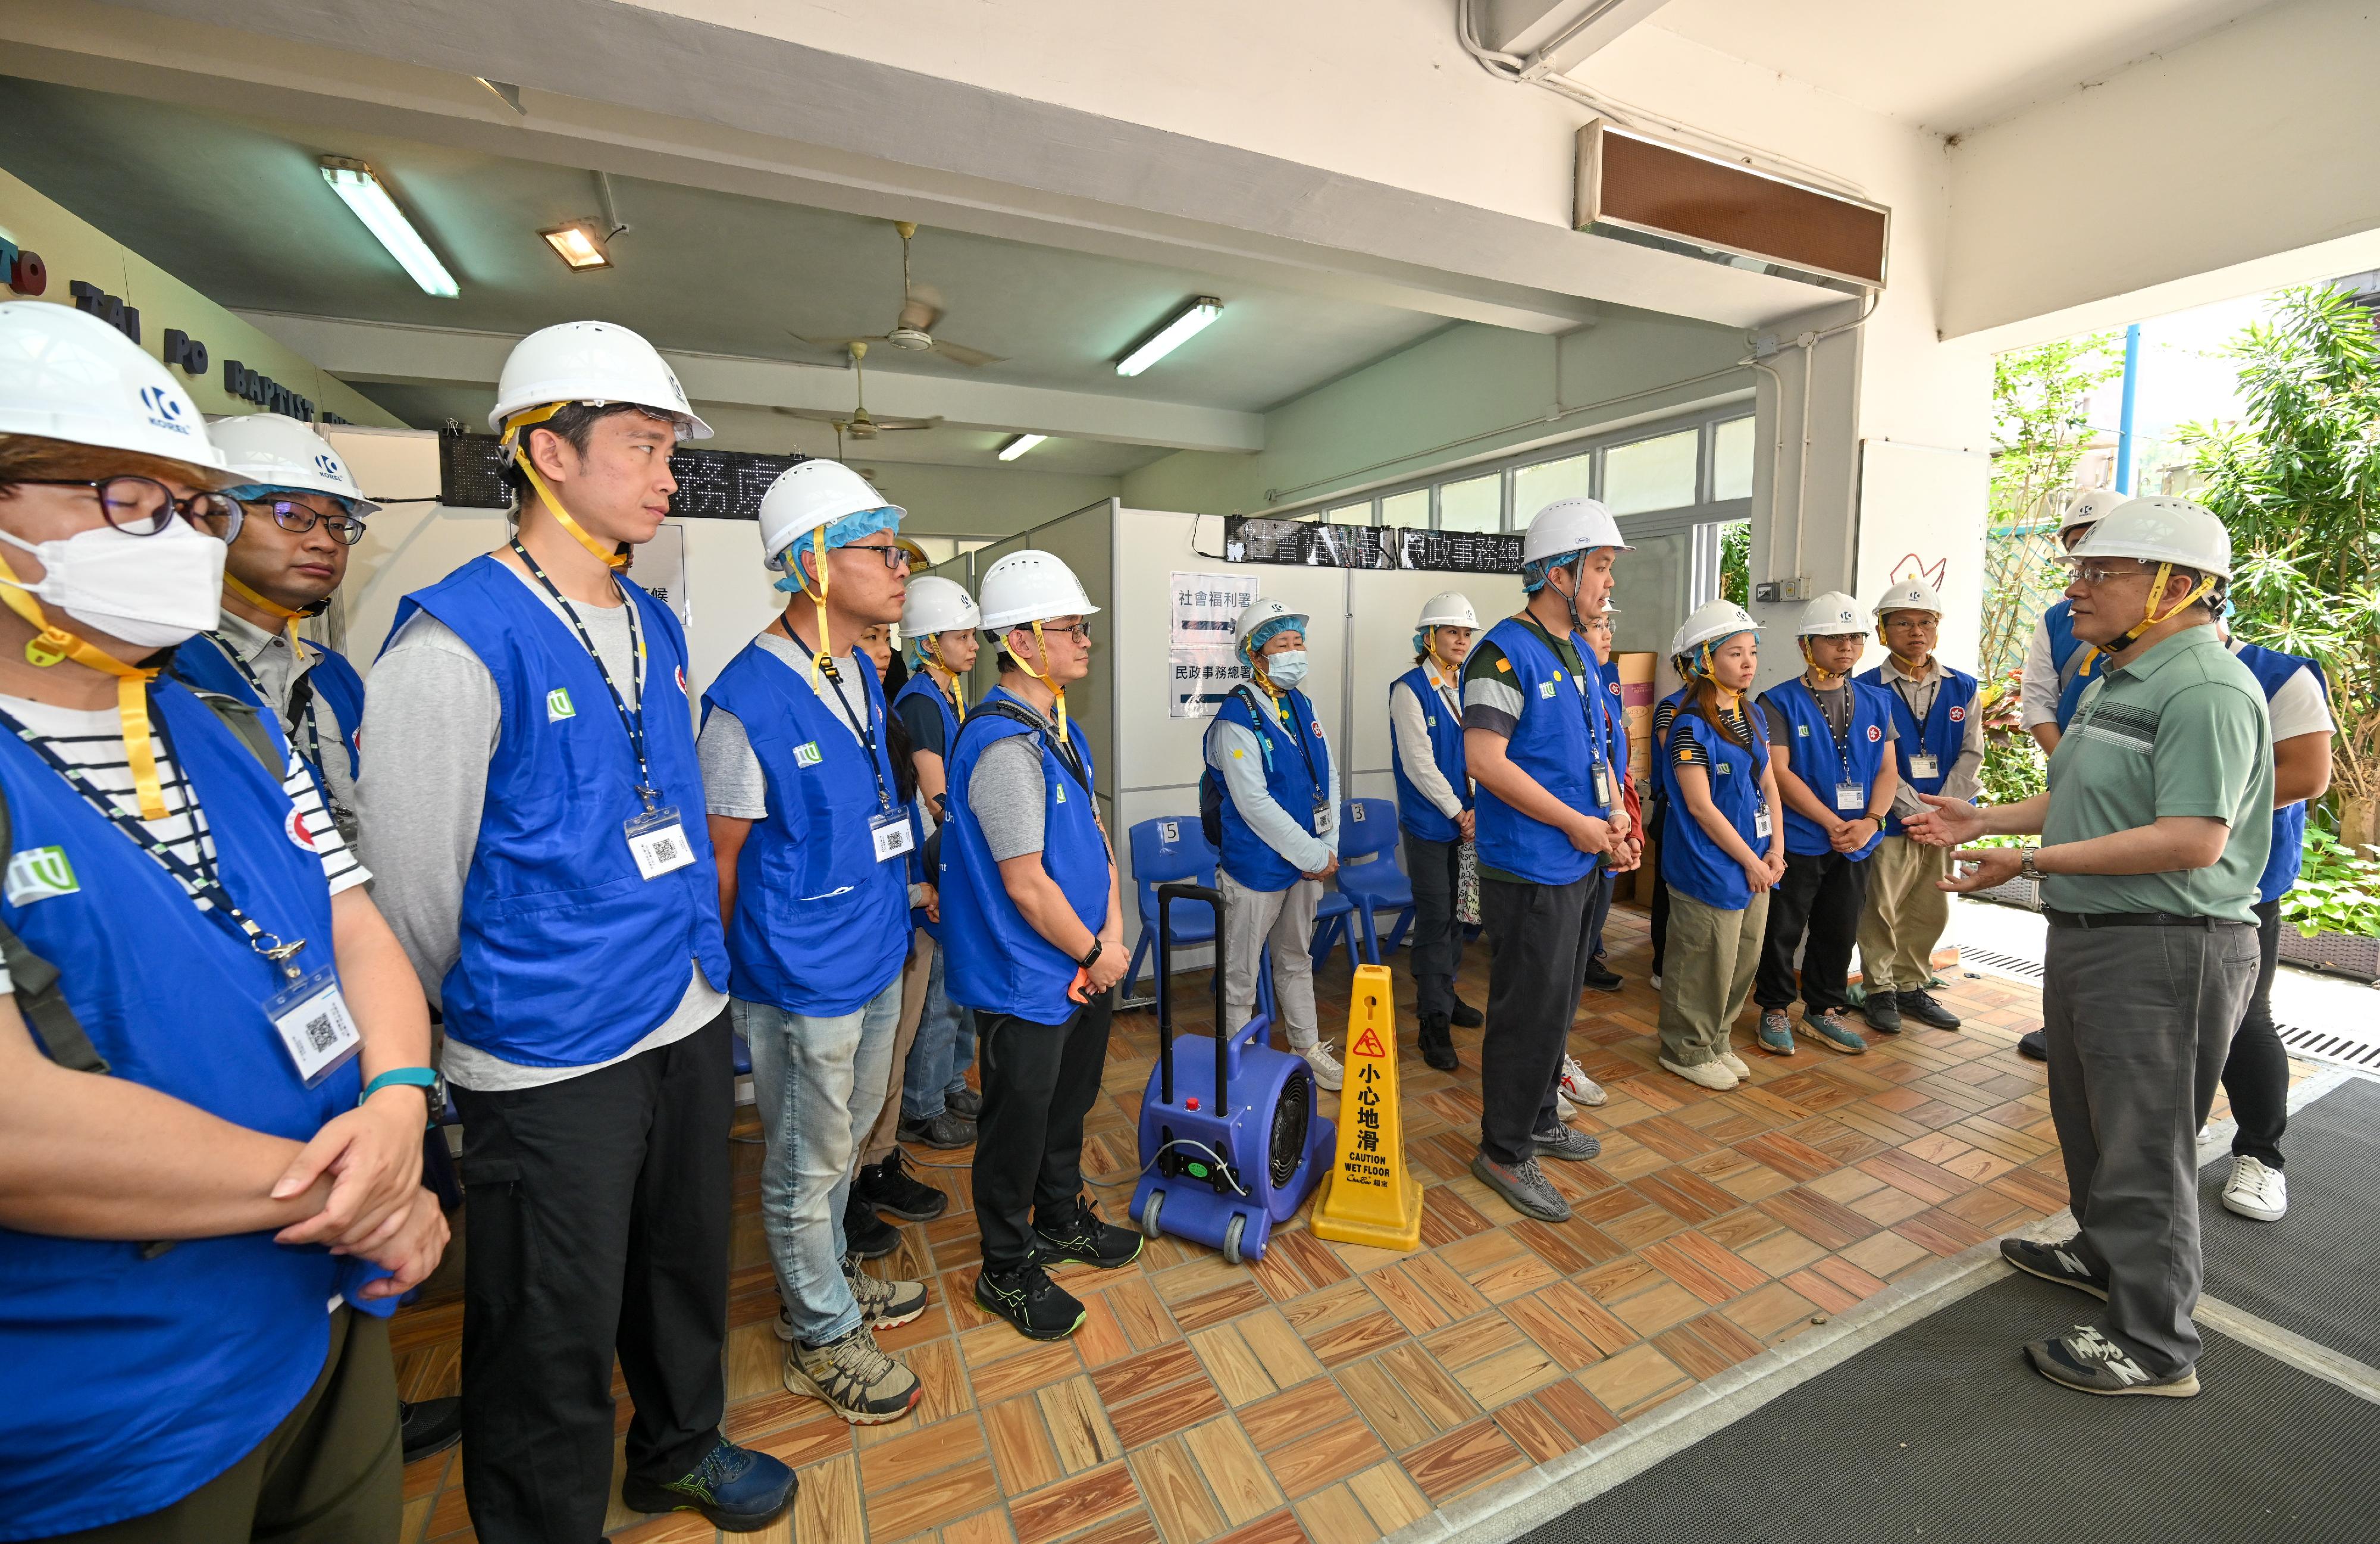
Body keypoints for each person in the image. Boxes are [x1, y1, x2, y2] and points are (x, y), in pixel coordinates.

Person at [0, 300, 446, 1539]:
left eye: (196, 507)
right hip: (114, 1406)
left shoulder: (222, 724)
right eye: (128, 498)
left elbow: (353, 928)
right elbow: (18, 1127)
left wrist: (399, 1101)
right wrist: (368, 1188)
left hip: (319, 1315)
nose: (179, 537)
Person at [360, 321, 794, 1534]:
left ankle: (680, 1447)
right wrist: (485, 1007)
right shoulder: (452, 643)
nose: (669, 476)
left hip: (682, 1007)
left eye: (670, 451)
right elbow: (412, 890)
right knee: (548, 1319)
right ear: (548, 453)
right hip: (548, 1048)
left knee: (680, 1264)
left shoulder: (655, 623)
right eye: (644, 447)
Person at [1915, 496, 2269, 1399]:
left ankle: (2155, 1343)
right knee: (2091, 1124)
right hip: (2097, 936)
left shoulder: (2205, 688)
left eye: (2101, 572)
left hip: (2166, 947)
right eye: (2079, 570)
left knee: (2144, 1148)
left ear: (2175, 587)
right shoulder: (2120, 675)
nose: (2076, 588)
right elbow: (2083, 797)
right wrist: (1985, 818)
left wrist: (2029, 860)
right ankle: (2103, 1254)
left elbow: (2192, 838)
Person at [698, 458, 932, 1426]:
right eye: (884, 552)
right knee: (806, 1158)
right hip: (799, 975)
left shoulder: (858, 671)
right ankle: (820, 1334)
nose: (902, 569)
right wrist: (719, 986)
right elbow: (719, 863)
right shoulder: (743, 702)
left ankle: (830, 1276)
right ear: (812, 565)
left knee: (842, 1145)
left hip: (872, 948)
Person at [939, 550, 1140, 1341]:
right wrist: (1094, 952)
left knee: (1067, 1104)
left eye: (1084, 627)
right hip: (1029, 976)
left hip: (1084, 962)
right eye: (1070, 628)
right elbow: (1025, 884)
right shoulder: (1002, 747)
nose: (1085, 641)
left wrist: (1111, 937)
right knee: (1016, 1125)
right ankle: (1005, 1263)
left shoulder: (1060, 729)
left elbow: (1099, 843)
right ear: (1020, 642)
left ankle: (1058, 1217)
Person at [1459, 497, 1627, 1222]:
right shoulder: (1500, 653)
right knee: (1526, 1011)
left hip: (1578, 857)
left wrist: (1613, 814)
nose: (1608, 583)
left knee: (1556, 1004)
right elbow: (1485, 761)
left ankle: (1538, 1120)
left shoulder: (1577, 651)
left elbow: (1592, 749)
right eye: (1600, 567)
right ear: (1557, 574)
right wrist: (1575, 824)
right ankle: (1503, 1149)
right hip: (1529, 866)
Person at [168, 413, 372, 845]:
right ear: (209, 518)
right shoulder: (167, 670)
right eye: (291, 514)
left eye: (339, 524)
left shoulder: (334, 673)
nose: (325, 541)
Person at [2203, 617, 2333, 1222]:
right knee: (2166, 1015)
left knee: (2244, 1019)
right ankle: (2179, 1125)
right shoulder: (2126, 673)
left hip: (2245, 880)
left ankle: (2260, 1154)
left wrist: (2195, 809)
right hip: (2152, 873)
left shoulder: (2279, 676)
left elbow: (2308, 774)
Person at [1205, 597, 1346, 1091]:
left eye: (1298, 642)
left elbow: (1328, 775)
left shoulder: (1300, 703)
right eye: (1282, 643)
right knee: (1240, 973)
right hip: (1257, 868)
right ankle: (1235, 1064)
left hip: (1307, 863)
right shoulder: (1235, 717)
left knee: (1295, 959)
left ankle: (1306, 1046)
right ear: (1255, 654)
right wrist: (1314, 855)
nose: (1294, 651)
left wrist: (1328, 844)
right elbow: (1253, 804)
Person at [1750, 593, 1897, 1056]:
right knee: (1783, 927)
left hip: (1858, 841)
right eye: (1833, 638)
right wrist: (1834, 821)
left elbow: (1888, 770)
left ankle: (1823, 1009)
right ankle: (1775, 1007)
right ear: (1805, 645)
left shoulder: (1877, 700)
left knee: (1840, 927)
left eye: (1854, 637)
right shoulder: (1778, 701)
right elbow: (1779, 772)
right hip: (1800, 839)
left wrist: (1871, 821)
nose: (1846, 647)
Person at [1655, 602, 1781, 1090]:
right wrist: (1752, 860)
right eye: (1735, 653)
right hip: (1709, 863)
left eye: (1752, 651)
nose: (1749, 663)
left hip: (1756, 862)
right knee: (1704, 961)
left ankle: (1717, 1039)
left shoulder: (1753, 713)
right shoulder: (1689, 724)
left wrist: (1775, 851)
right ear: (1705, 659)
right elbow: (1701, 807)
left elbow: (1768, 784)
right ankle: (1684, 1047)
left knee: (1742, 958)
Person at [1855, 578, 1980, 1035]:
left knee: (1932, 907)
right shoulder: (1866, 688)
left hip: (1945, 821)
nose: (1916, 631)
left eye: (1926, 621)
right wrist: (1915, 811)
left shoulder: (1963, 686)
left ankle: (1911, 985)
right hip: (1892, 820)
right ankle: (1879, 989)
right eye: (1903, 623)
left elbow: (1972, 753)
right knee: (1881, 908)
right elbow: (1869, 759)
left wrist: (1945, 810)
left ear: (1937, 628)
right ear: (1884, 631)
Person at [887, 574, 982, 1145]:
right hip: (935, 864)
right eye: (962, 637)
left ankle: (949, 1082)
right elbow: (938, 800)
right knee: (939, 994)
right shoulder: (921, 702)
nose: (973, 646)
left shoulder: (947, 695)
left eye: (973, 636)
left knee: (959, 989)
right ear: (928, 643)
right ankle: (922, 1106)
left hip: (956, 860)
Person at [1388, 589, 1482, 1071]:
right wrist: (1459, 812)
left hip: (1468, 821)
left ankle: (1446, 992)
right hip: (1431, 824)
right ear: (1429, 637)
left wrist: (1478, 809)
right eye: (1452, 631)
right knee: (1435, 917)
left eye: (1466, 633)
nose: (1461, 640)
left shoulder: (1469, 685)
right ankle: (1432, 1020)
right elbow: (1419, 765)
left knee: (1460, 913)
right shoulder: (1409, 689)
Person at [2018, 486, 2128, 756]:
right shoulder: (2056, 620)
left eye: (2097, 540)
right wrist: (2067, 767)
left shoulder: (2165, 618)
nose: (2086, 554)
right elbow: (2037, 702)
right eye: (2077, 545)